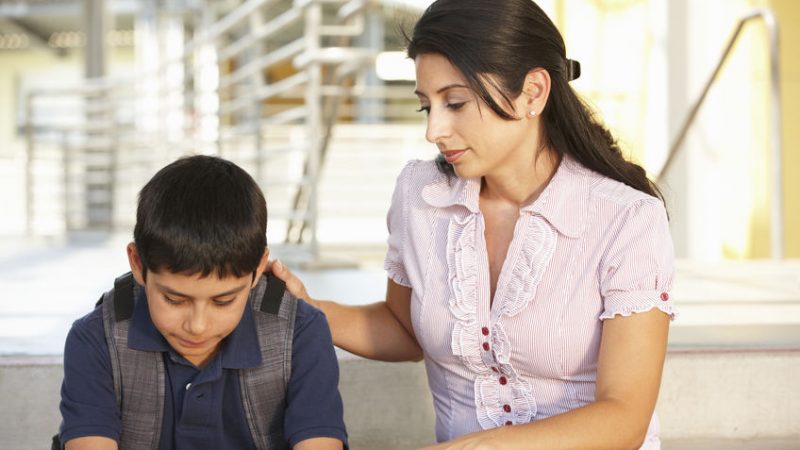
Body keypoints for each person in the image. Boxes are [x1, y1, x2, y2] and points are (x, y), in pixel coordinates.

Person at [270, 0, 677, 449]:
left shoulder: (626, 218)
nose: (435, 131)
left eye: (456, 102)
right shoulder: (420, 195)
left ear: (533, 93)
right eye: (427, 107)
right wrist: (308, 309)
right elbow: (404, 330)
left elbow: (624, 418)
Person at [57, 155, 347, 450]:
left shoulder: (301, 332)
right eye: (173, 299)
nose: (197, 326)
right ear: (137, 263)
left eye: (224, 301)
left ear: (259, 268)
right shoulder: (96, 339)